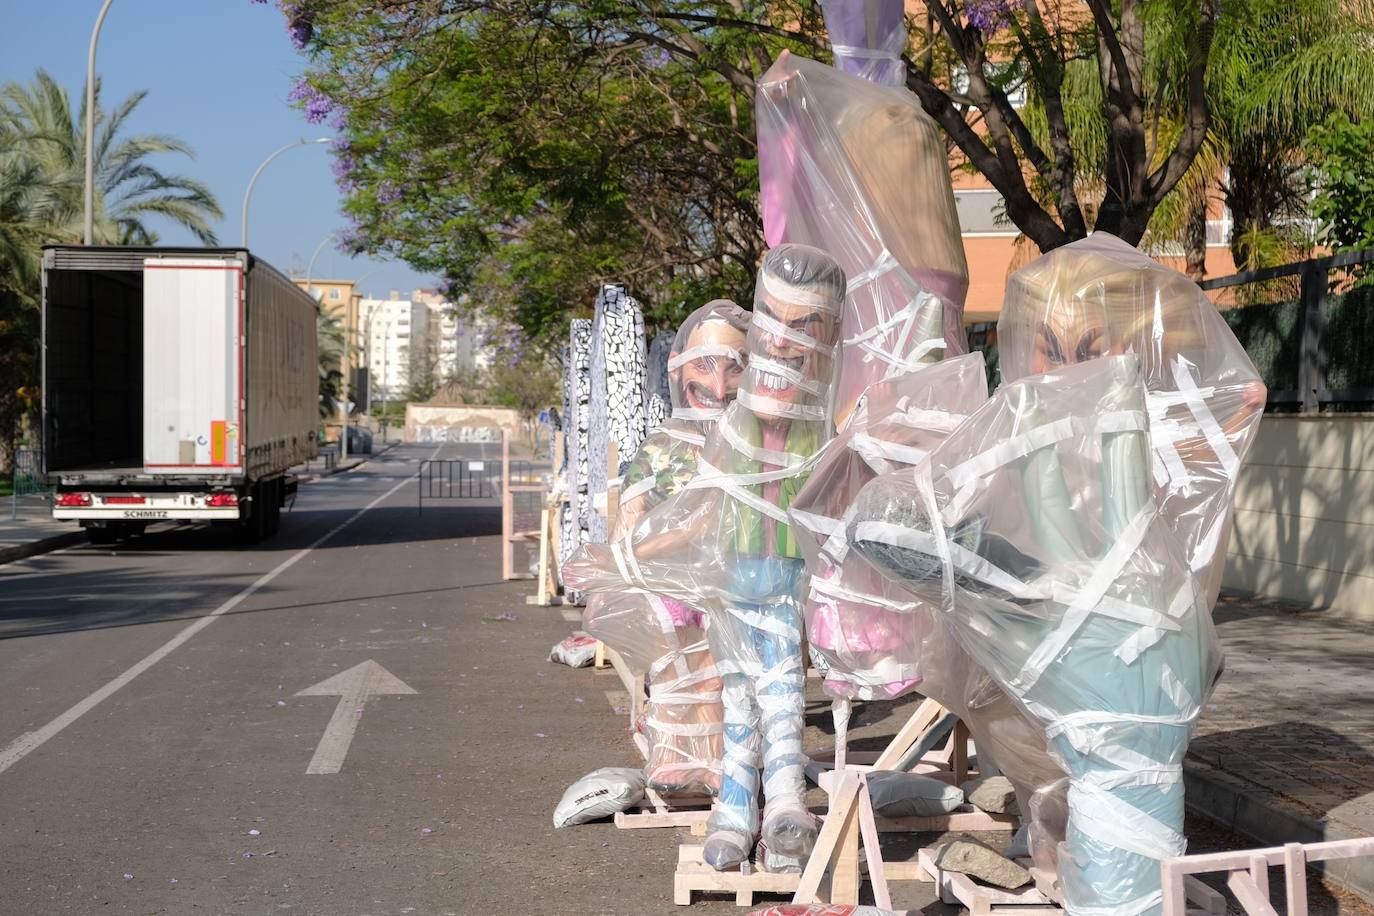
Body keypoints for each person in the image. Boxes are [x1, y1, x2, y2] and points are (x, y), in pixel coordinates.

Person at [564, 244, 846, 871]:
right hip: (720, 584)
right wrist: (626, 564)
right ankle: (740, 803)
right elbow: (676, 518)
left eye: (805, 328)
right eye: (780, 323)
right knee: (743, 690)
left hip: (775, 578)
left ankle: (781, 804)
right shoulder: (704, 440)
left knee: (775, 692)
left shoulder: (793, 425)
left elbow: (823, 498)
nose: (721, 383)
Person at [583, 300, 751, 796]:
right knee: (678, 674)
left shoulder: (753, 441)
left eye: (734, 366)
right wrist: (617, 564)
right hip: (671, 586)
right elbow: (631, 513)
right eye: (705, 364)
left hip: (734, 585)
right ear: (681, 369)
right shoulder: (663, 443)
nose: (719, 385)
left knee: (722, 680)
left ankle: (720, 762)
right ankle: (677, 758)